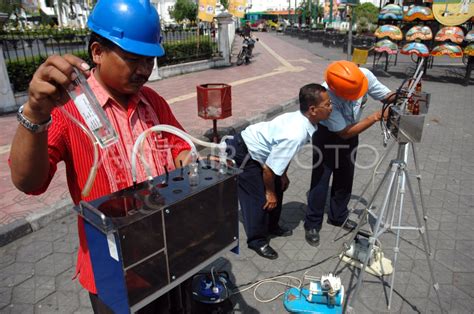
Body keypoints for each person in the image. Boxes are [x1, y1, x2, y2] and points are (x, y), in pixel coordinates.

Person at [9, 0, 191, 312]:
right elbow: (29, 182)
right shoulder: (68, 110)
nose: (144, 70)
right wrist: (35, 113)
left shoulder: (152, 101)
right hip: (113, 267)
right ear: (97, 52)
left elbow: (180, 147)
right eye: (134, 59)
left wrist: (192, 166)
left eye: (149, 60)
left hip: (165, 251)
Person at [226, 84, 332, 259]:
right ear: (312, 109)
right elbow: (268, 168)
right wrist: (269, 192)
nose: (331, 108)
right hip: (245, 152)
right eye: (327, 104)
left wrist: (282, 175)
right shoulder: (296, 133)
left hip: (264, 155)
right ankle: (257, 241)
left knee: (279, 187)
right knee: (258, 199)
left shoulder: (303, 120)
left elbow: (281, 156)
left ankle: (271, 226)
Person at [304, 60, 394, 247]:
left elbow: (386, 96)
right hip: (328, 135)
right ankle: (312, 223)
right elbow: (343, 132)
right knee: (321, 180)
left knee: (345, 176)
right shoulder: (325, 95)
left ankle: (338, 216)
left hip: (353, 131)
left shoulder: (363, 77)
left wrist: (403, 95)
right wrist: (375, 117)